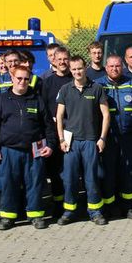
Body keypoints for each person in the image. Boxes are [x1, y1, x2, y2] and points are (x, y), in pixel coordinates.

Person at [0, 64, 53, 230]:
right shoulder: (2, 99)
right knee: (8, 184)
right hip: (9, 151)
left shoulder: (37, 99)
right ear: (12, 78)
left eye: (26, 79)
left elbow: (48, 126)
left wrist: (51, 145)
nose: (22, 82)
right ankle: (7, 217)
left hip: (34, 150)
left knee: (35, 183)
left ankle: (36, 215)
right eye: (19, 78)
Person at [56, 56, 110, 225]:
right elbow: (59, 116)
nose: (77, 72)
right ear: (70, 70)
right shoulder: (65, 89)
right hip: (71, 142)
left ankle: (95, 211)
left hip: (90, 140)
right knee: (69, 178)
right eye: (74, 69)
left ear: (85, 68)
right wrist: (61, 139)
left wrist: (102, 138)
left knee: (91, 178)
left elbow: (106, 115)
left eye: (79, 68)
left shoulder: (96, 88)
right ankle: (69, 211)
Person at [95, 55, 132, 219]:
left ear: (122, 67)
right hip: (109, 137)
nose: (114, 69)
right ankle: (110, 206)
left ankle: (129, 206)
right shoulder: (98, 85)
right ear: (106, 68)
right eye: (111, 66)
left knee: (129, 171)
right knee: (108, 173)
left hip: (129, 137)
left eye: (117, 66)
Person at [42, 46, 73, 210]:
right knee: (55, 171)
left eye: (65, 59)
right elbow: (43, 107)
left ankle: (72, 202)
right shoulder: (47, 82)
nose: (62, 62)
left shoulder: (75, 79)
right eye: (59, 59)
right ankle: (58, 204)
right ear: (53, 60)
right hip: (55, 132)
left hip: (73, 131)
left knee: (72, 169)